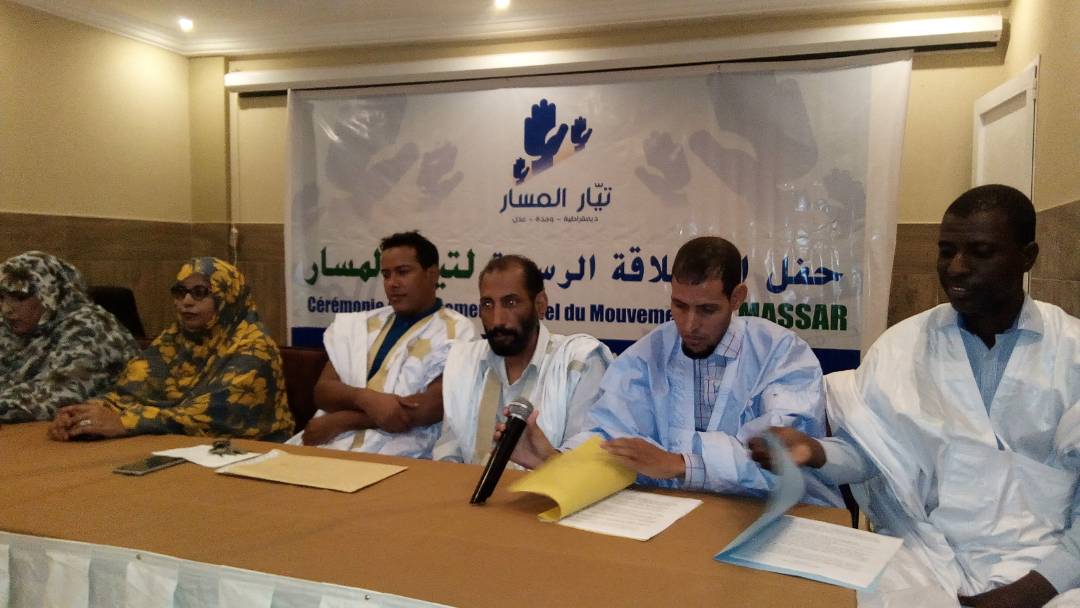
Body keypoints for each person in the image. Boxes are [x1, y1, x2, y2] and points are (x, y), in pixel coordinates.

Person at [753, 185, 1080, 607]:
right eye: (946, 251)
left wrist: (1033, 590)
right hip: (926, 552)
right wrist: (815, 452)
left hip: (1048, 563)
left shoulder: (1072, 351)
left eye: (980, 252)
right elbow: (875, 457)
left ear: (1027, 256)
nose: (956, 268)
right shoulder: (901, 346)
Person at [506, 236, 842, 506]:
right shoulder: (646, 355)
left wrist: (681, 465)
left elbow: (780, 456)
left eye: (707, 309)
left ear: (737, 298)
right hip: (672, 516)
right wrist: (557, 458)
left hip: (770, 516)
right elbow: (611, 435)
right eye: (679, 306)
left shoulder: (780, 353)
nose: (689, 325)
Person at [48, 257, 294, 441]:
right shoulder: (174, 340)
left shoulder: (254, 349)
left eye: (200, 293)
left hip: (249, 456)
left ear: (228, 297)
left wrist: (125, 421)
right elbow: (129, 392)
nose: (186, 301)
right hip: (174, 448)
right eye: (180, 292)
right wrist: (85, 414)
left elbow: (212, 415)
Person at [290, 231, 475, 458]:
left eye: (403, 272)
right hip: (330, 442)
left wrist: (343, 420)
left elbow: (430, 408)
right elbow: (323, 391)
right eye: (386, 275)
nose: (392, 283)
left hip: (402, 451)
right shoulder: (361, 324)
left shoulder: (457, 329)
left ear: (432, 275)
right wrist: (365, 398)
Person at [435, 254, 612, 464]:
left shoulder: (580, 362)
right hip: (469, 484)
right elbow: (449, 452)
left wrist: (547, 460)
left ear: (540, 304)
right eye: (488, 304)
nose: (497, 320)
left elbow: (586, 461)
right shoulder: (465, 362)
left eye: (511, 302)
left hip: (547, 485)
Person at [0, 251, 138, 423]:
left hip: (105, 432)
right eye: (1, 298)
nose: (6, 309)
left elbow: (59, 395)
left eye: (20, 298)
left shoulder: (91, 327)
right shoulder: (11, 326)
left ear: (50, 294)